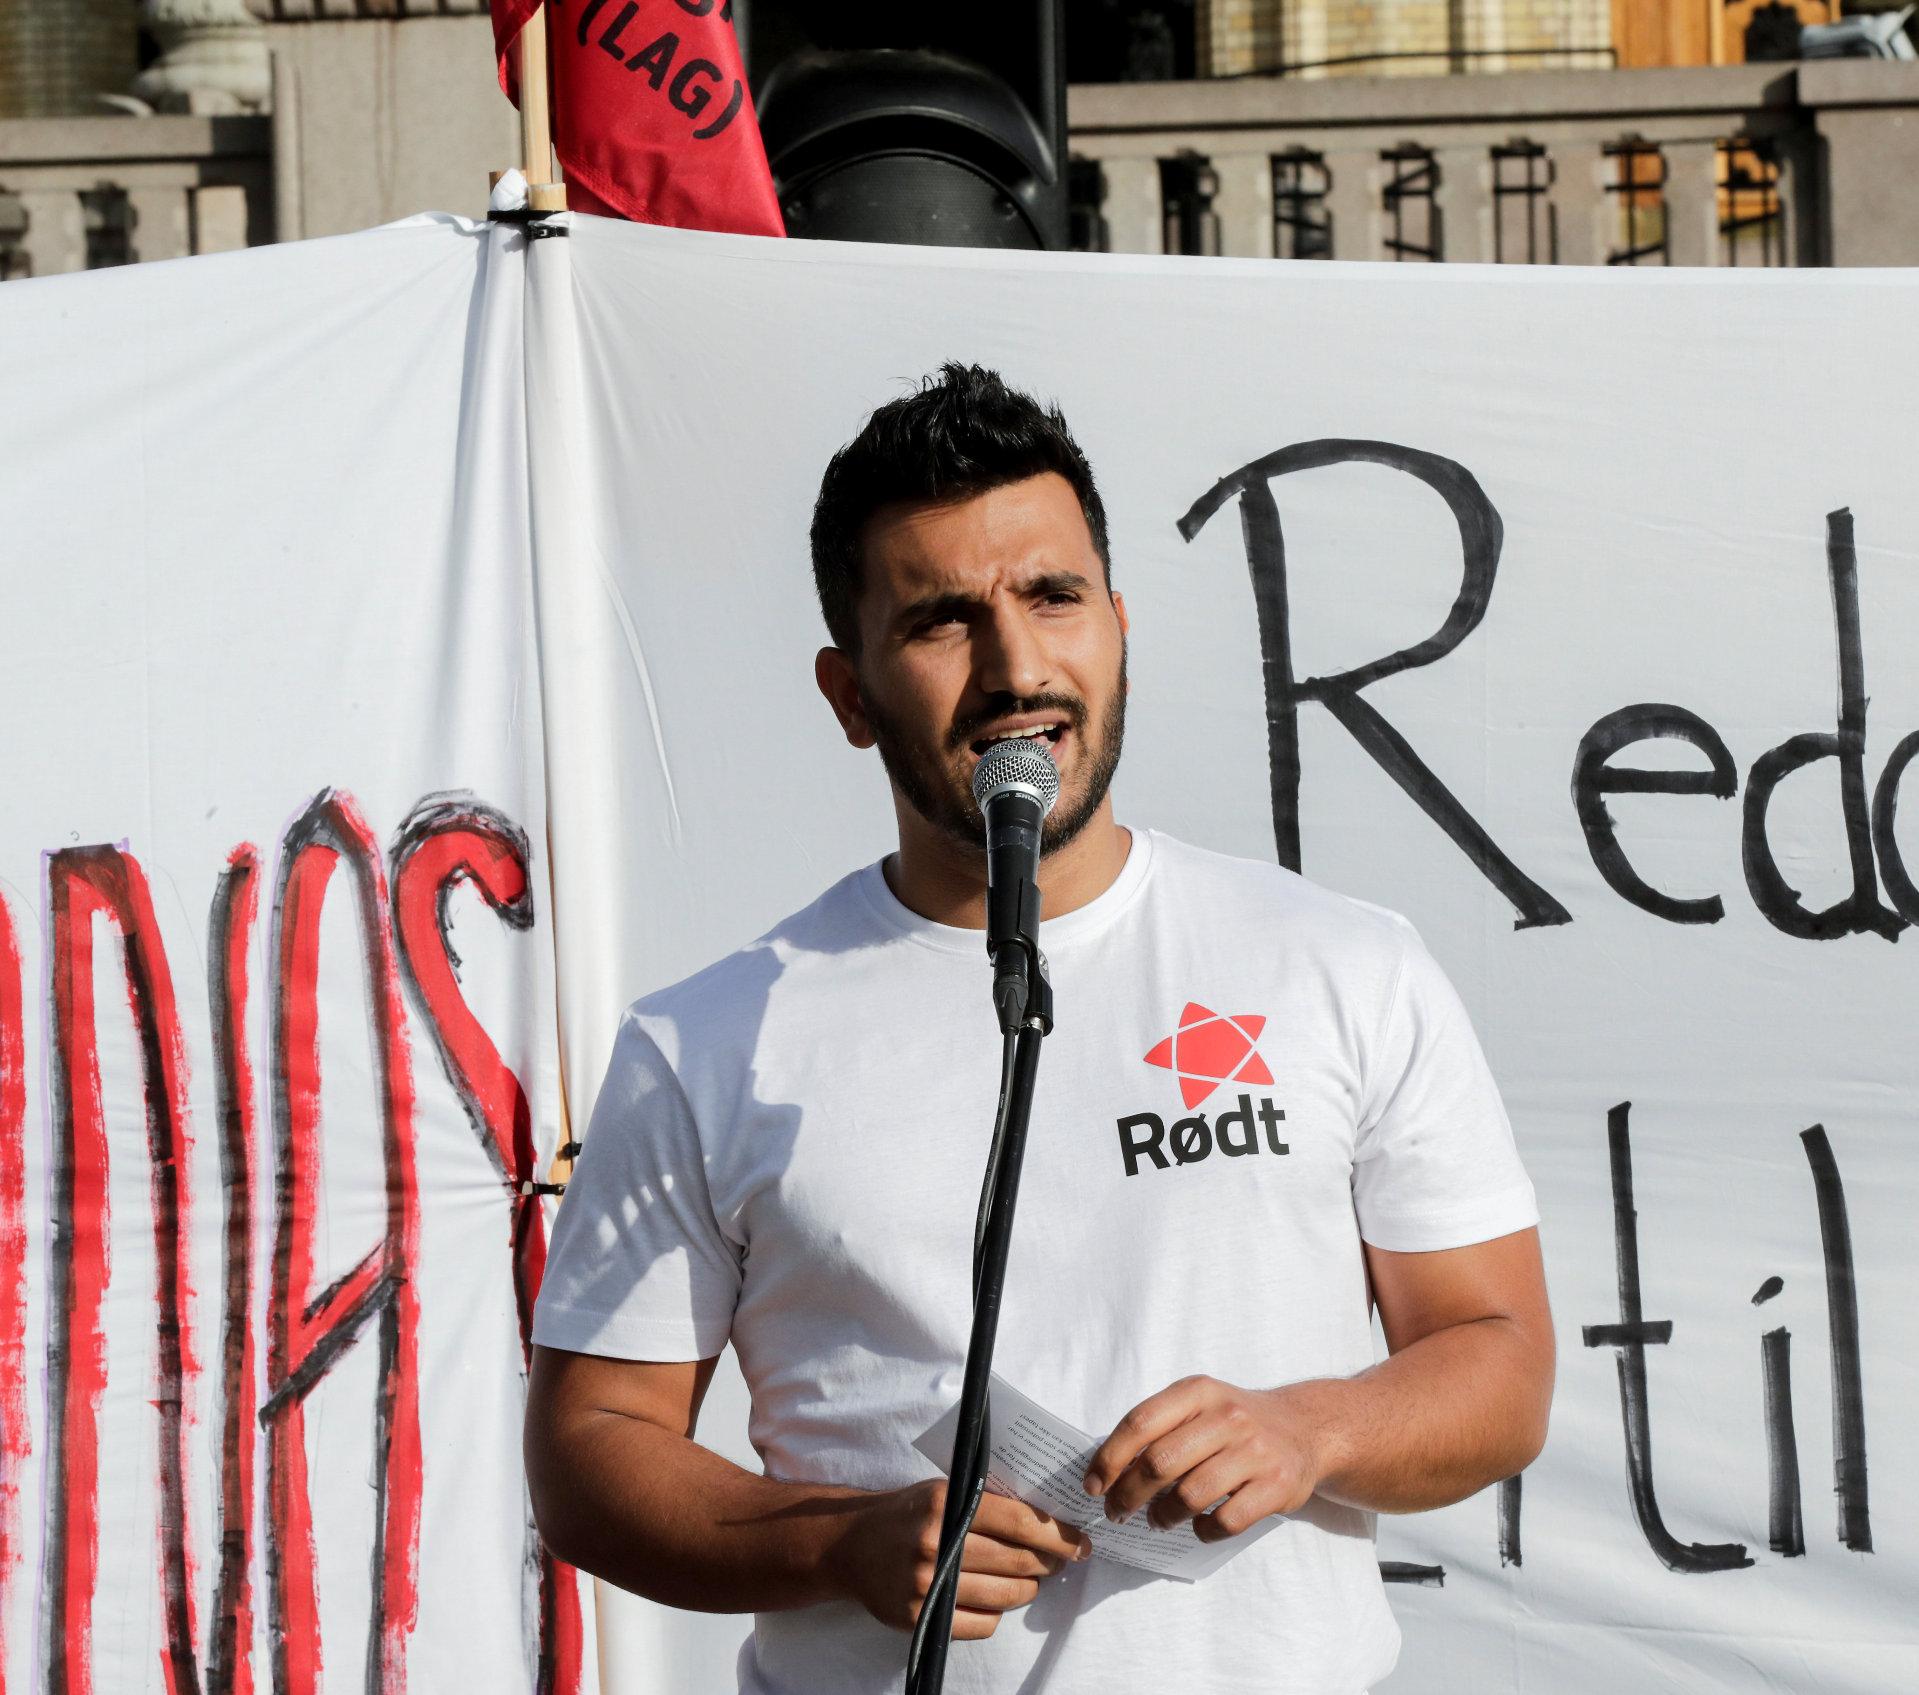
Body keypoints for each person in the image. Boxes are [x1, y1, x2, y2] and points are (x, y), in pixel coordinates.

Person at [524, 364, 1554, 1694]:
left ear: (1117, 624)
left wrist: (1314, 1428)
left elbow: (1499, 1357)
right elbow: (592, 1449)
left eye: (1052, 598)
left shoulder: (1341, 966)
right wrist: (835, 1541)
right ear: (849, 694)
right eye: (945, 621)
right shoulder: (712, 1038)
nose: (1017, 667)